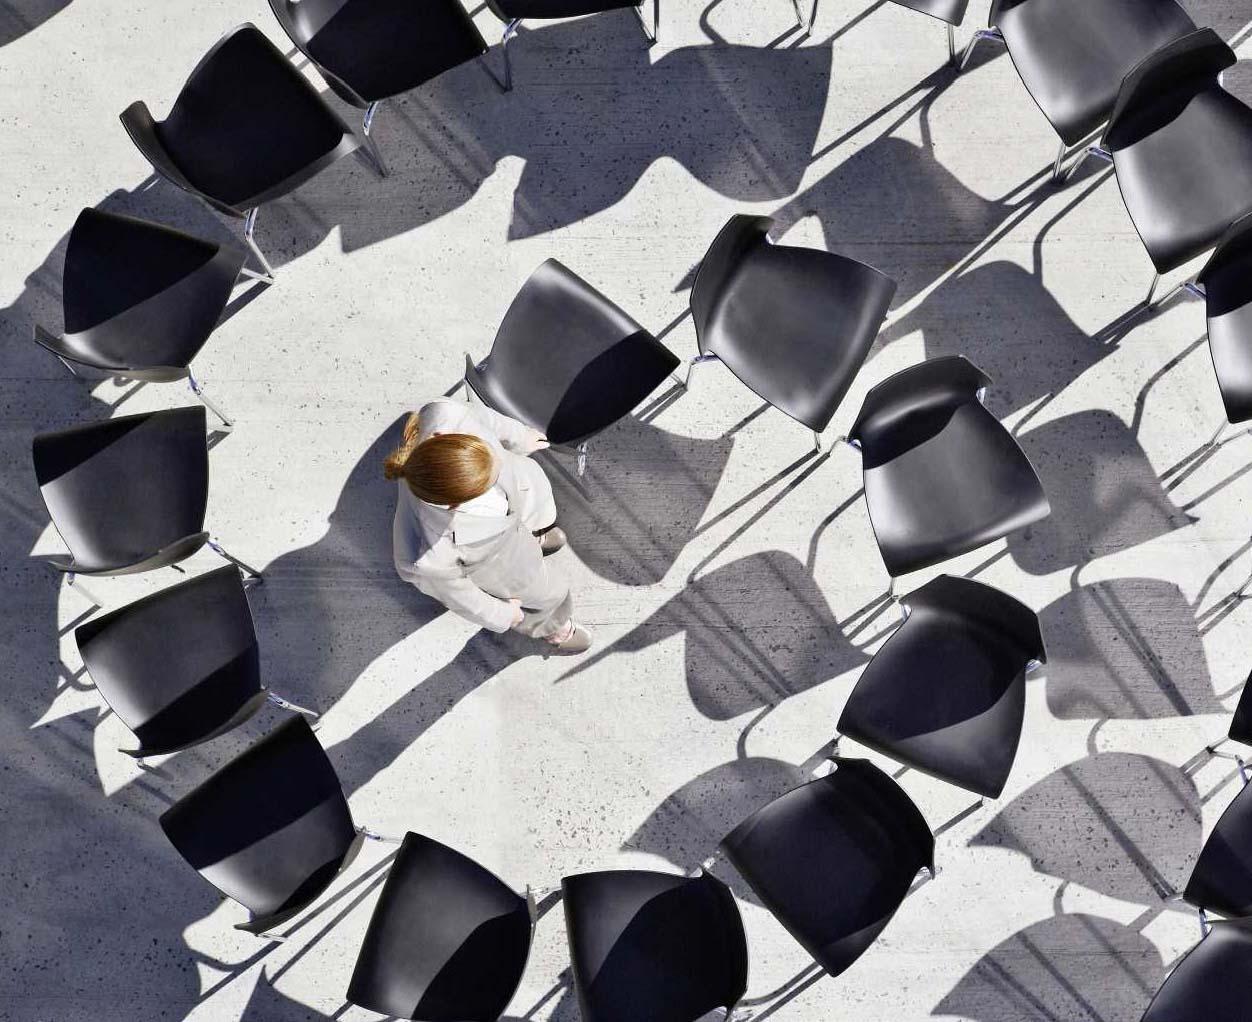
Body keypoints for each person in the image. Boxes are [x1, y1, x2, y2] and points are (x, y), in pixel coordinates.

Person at [386, 398, 593, 654]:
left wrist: (520, 437)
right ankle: (553, 627)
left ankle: (533, 536)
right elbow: (462, 598)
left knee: (530, 501)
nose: (499, 461)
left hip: (517, 505)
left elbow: (484, 419)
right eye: (488, 481)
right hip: (495, 560)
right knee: (546, 592)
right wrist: (506, 614)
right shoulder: (432, 559)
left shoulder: (445, 416)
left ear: (444, 437)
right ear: (454, 504)